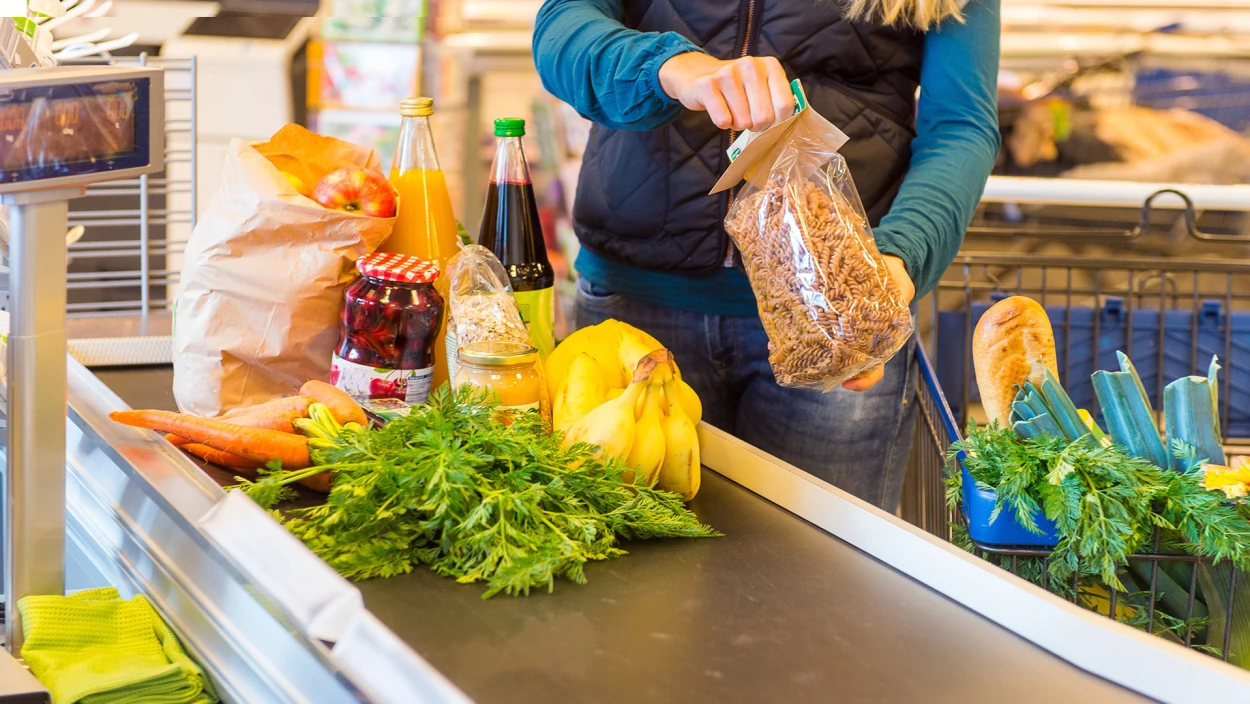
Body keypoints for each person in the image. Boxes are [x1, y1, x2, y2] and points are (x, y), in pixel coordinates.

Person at [533, 0, 1000, 510]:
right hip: (635, 308)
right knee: (631, 549)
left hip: (835, 315)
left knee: (820, 555)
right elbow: (562, 30)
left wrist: (901, 256)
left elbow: (960, 124)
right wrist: (668, 67)